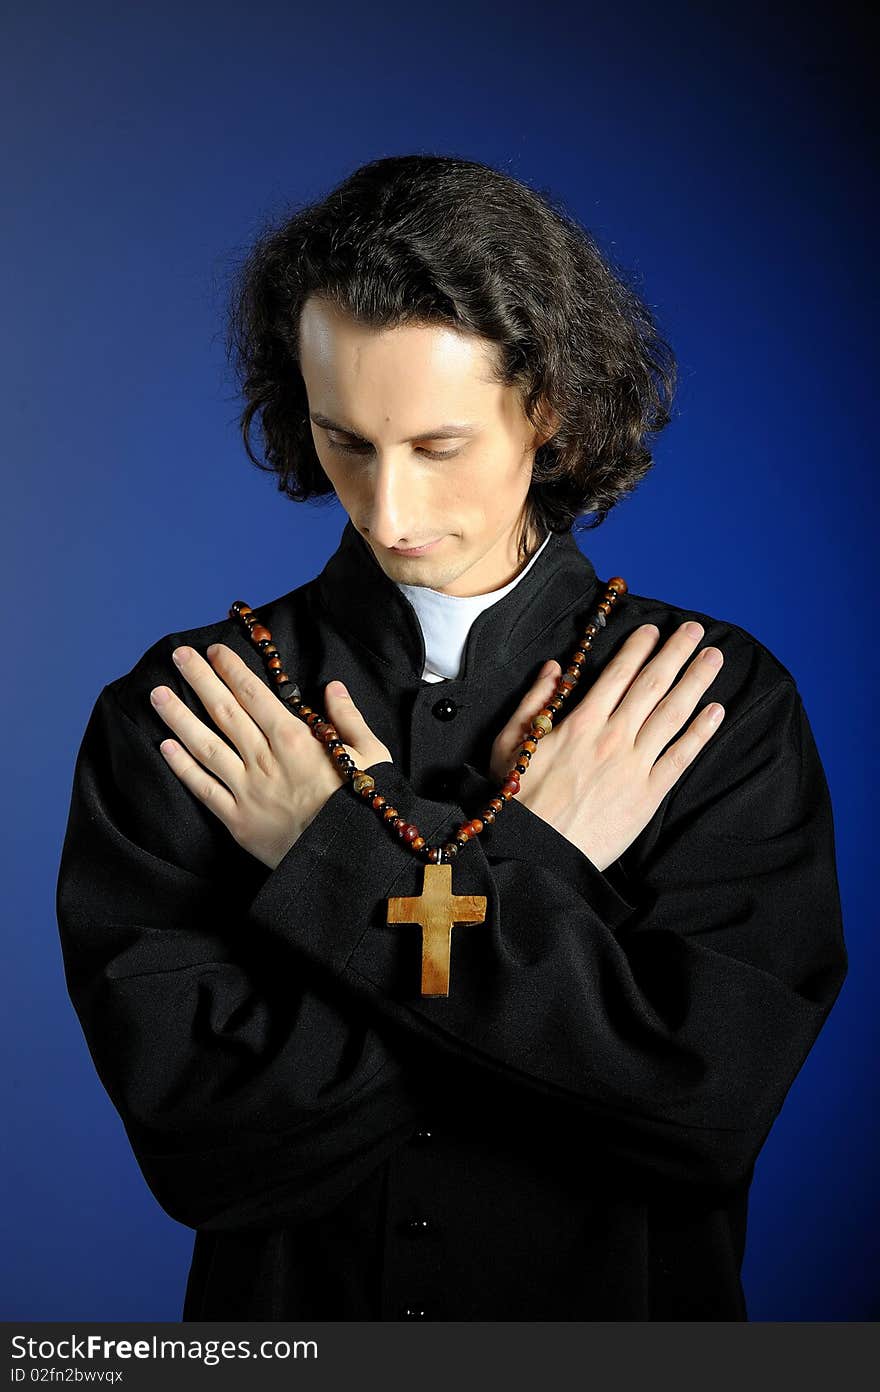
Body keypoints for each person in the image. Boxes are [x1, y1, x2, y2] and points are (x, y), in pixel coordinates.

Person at [55, 153, 847, 1321]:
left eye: (437, 447)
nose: (388, 511)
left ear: (553, 412)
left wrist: (333, 854)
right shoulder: (184, 712)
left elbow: (699, 1117)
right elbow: (212, 1154)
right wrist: (539, 860)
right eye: (345, 442)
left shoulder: (711, 702)